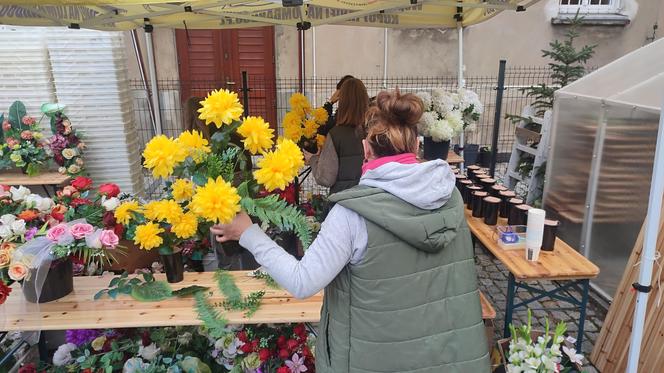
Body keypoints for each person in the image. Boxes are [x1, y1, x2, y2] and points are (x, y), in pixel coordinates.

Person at [211, 89, 491, 373]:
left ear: (365, 150)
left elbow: (302, 281)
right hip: (445, 359)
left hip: (373, 360)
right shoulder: (450, 198)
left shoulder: (352, 215)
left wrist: (247, 232)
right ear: (416, 145)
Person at [306, 77, 369, 194]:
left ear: (342, 100)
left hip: (342, 201)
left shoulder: (336, 134)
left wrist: (313, 159)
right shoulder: (375, 133)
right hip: (369, 200)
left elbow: (325, 178)